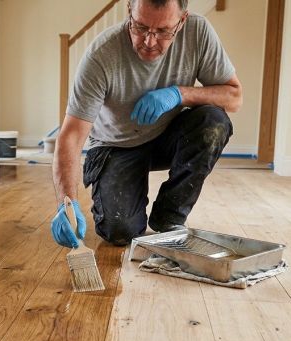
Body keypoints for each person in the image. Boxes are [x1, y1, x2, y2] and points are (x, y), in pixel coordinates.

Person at [50, 0, 242, 248]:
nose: (149, 42)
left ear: (182, 21)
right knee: (120, 232)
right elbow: (71, 137)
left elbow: (234, 97)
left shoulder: (198, 32)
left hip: (166, 137)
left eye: (163, 31)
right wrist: (67, 202)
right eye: (140, 27)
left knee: (213, 122)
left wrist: (178, 94)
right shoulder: (101, 55)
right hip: (115, 145)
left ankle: (169, 218)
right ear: (129, 11)